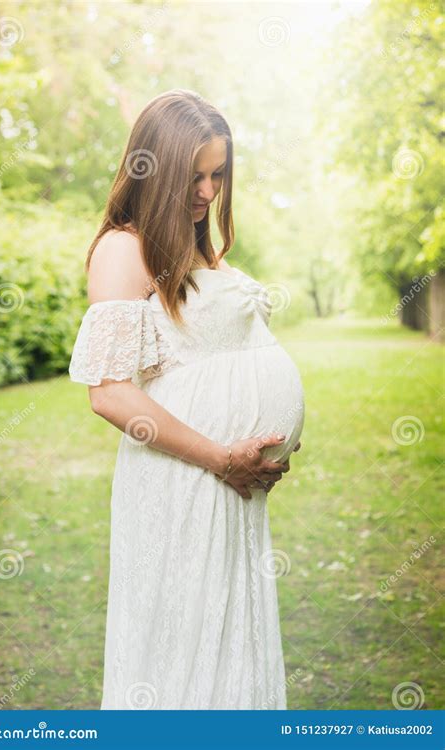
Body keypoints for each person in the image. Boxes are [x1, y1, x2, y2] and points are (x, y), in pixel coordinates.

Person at [68, 89, 304, 710]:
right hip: (187, 476)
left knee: (228, 639)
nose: (207, 191)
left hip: (231, 483)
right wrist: (220, 456)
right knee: (182, 643)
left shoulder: (200, 249)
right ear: (154, 169)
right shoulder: (125, 248)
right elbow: (111, 393)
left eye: (218, 174)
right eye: (193, 176)